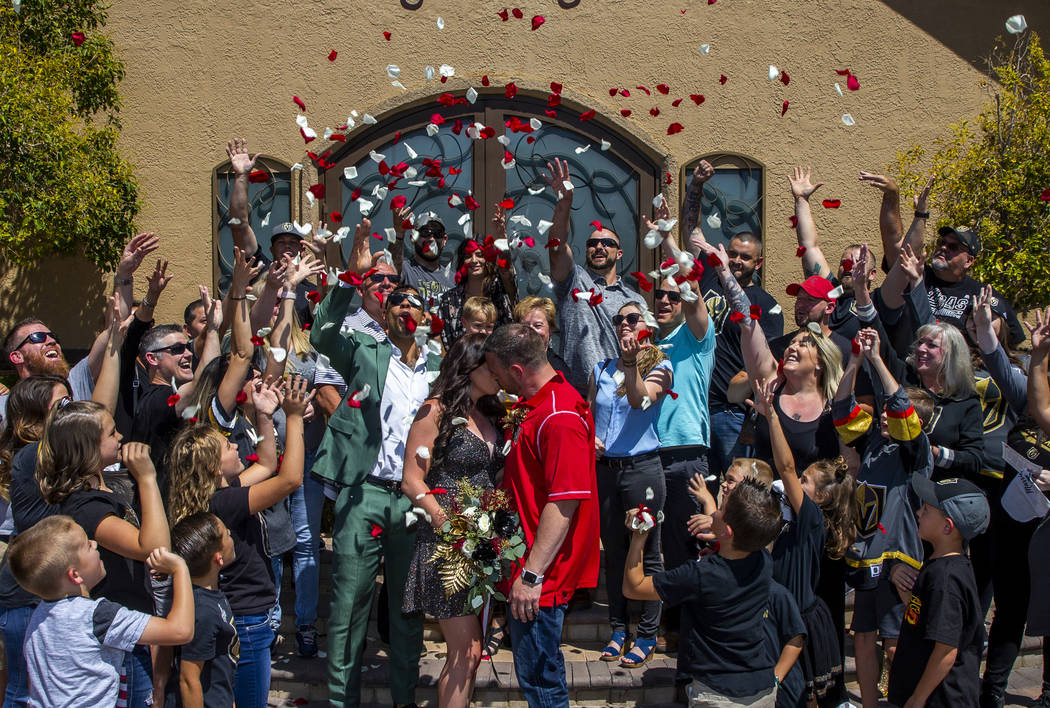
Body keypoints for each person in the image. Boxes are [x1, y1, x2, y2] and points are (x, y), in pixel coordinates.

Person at [310, 272, 442, 707]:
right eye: (397, 303)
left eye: (413, 302)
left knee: (407, 611)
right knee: (349, 608)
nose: (406, 308)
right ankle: (340, 702)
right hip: (362, 493)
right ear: (384, 317)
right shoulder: (363, 351)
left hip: (413, 500)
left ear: (424, 315)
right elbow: (323, 331)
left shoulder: (438, 368)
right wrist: (348, 278)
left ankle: (403, 699)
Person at [166, 376, 307, 708]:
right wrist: (295, 416)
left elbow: (269, 464)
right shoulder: (223, 504)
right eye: (227, 446)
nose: (234, 446)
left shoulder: (214, 496)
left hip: (239, 614)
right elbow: (290, 479)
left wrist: (264, 415)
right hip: (246, 619)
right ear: (215, 469)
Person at [482, 324, 599, 708]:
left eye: (497, 372)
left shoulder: (559, 416)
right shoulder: (540, 405)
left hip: (541, 575)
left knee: (541, 681)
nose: (495, 379)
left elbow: (564, 503)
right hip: (532, 564)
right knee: (537, 677)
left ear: (517, 371)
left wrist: (531, 576)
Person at [832, 328, 933, 708]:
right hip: (866, 556)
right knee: (862, 637)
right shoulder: (874, 442)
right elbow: (841, 412)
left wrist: (877, 360)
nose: (886, 420)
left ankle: (905, 701)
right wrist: (855, 362)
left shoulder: (915, 454)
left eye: (893, 416)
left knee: (896, 643)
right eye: (886, 416)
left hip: (897, 561)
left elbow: (902, 406)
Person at [401, 334, 504, 708]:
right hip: (446, 546)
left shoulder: (490, 412)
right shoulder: (436, 410)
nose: (499, 373)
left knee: (471, 654)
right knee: (467, 650)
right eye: (491, 366)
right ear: (470, 366)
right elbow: (411, 480)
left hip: (482, 543)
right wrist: (449, 526)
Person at [624, 477, 783, 706]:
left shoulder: (701, 575)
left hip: (717, 694)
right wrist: (710, 503)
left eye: (721, 509)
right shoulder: (763, 560)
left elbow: (634, 586)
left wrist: (639, 537)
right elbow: (733, 537)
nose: (714, 512)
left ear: (727, 531)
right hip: (762, 688)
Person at [7, 516, 193, 708]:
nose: (95, 544)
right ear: (75, 575)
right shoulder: (99, 617)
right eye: (88, 545)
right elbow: (180, 631)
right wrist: (180, 569)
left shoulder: (38, 619)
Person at [752, 378, 853, 707]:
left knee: (798, 696)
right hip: (785, 616)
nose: (795, 482)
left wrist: (772, 415)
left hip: (800, 623)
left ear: (822, 497)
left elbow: (785, 466)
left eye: (805, 482)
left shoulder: (811, 519)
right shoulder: (793, 520)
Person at [683, 162, 783, 479]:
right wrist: (696, 185)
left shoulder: (765, 304)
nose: (737, 261)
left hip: (731, 414)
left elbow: (763, 361)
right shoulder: (711, 275)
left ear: (759, 262)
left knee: (734, 488)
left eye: (746, 257)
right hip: (694, 407)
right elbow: (691, 231)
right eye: (734, 254)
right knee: (696, 491)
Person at [589, 302, 672, 668]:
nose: (625, 324)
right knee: (617, 553)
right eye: (619, 319)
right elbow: (589, 414)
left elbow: (640, 402)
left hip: (642, 470)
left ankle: (649, 633)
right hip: (607, 471)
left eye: (632, 318)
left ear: (646, 326)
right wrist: (588, 437)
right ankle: (619, 629)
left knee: (649, 551)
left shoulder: (661, 366)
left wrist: (632, 364)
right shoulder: (600, 369)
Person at [872, 172, 1023, 347]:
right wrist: (893, 197)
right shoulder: (917, 274)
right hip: (908, 367)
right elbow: (893, 240)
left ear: (969, 261)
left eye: (953, 247)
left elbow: (1011, 339)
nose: (944, 248)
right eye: (942, 243)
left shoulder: (981, 294)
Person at [543, 158, 646, 393]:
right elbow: (557, 246)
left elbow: (644, 351)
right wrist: (564, 203)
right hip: (575, 390)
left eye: (607, 243)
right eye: (593, 243)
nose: (599, 247)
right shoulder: (573, 280)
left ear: (619, 253)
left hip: (618, 392)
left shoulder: (635, 300)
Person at [887, 475, 990, 708]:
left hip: (941, 699)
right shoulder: (941, 565)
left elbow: (946, 650)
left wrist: (917, 699)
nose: (918, 513)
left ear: (947, 526)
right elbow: (923, 611)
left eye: (926, 510)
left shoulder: (946, 579)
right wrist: (898, 578)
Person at [225, 138, 316, 325]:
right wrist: (241, 177)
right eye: (281, 242)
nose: (287, 247)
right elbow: (239, 224)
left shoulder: (310, 290)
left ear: (303, 250)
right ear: (271, 249)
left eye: (293, 243)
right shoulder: (259, 270)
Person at [787, 166, 879, 341]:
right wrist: (801, 199)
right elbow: (809, 246)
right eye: (844, 263)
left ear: (873, 274)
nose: (848, 267)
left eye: (857, 263)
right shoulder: (831, 292)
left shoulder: (878, 301)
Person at [171, 512, 239, 708]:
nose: (229, 531)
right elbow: (189, 680)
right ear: (218, 559)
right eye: (225, 535)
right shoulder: (202, 611)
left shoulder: (213, 595)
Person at [434, 217, 517, 349]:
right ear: (462, 261)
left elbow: (506, 270)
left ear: (488, 258)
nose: (474, 260)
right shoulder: (449, 300)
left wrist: (502, 236)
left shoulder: (501, 292)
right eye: (468, 256)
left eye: (479, 255)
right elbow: (443, 343)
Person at [391, 209, 458, 301]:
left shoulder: (454, 280)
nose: (431, 239)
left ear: (444, 239)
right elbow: (391, 269)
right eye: (425, 232)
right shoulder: (405, 270)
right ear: (413, 238)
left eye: (437, 233)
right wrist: (398, 234)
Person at [513, 296, 569, 374]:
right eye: (525, 326)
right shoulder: (509, 364)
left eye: (538, 325)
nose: (531, 331)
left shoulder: (559, 370)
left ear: (551, 329)